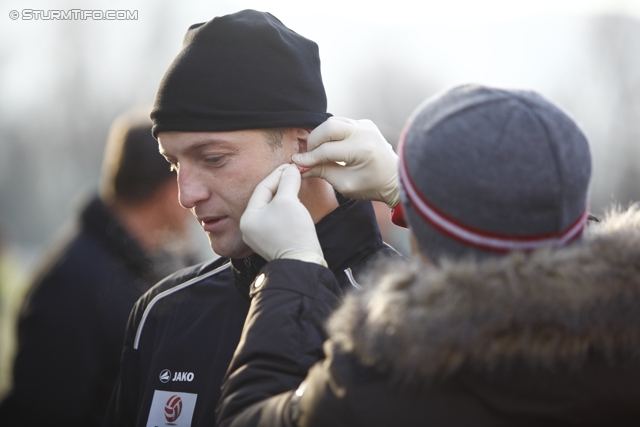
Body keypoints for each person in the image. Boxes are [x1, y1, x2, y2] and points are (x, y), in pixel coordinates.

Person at [217, 84, 640, 426]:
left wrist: (294, 268)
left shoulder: (377, 381)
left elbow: (248, 417)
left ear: (418, 235)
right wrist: (411, 194)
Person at [105, 10, 400, 427]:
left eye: (213, 159)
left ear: (301, 144)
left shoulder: (408, 312)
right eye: (173, 164)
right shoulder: (163, 312)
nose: (186, 195)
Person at [0, 111, 194, 427]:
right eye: (185, 168)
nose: (199, 189)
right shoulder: (71, 284)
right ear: (166, 189)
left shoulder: (163, 263)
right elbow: (42, 412)